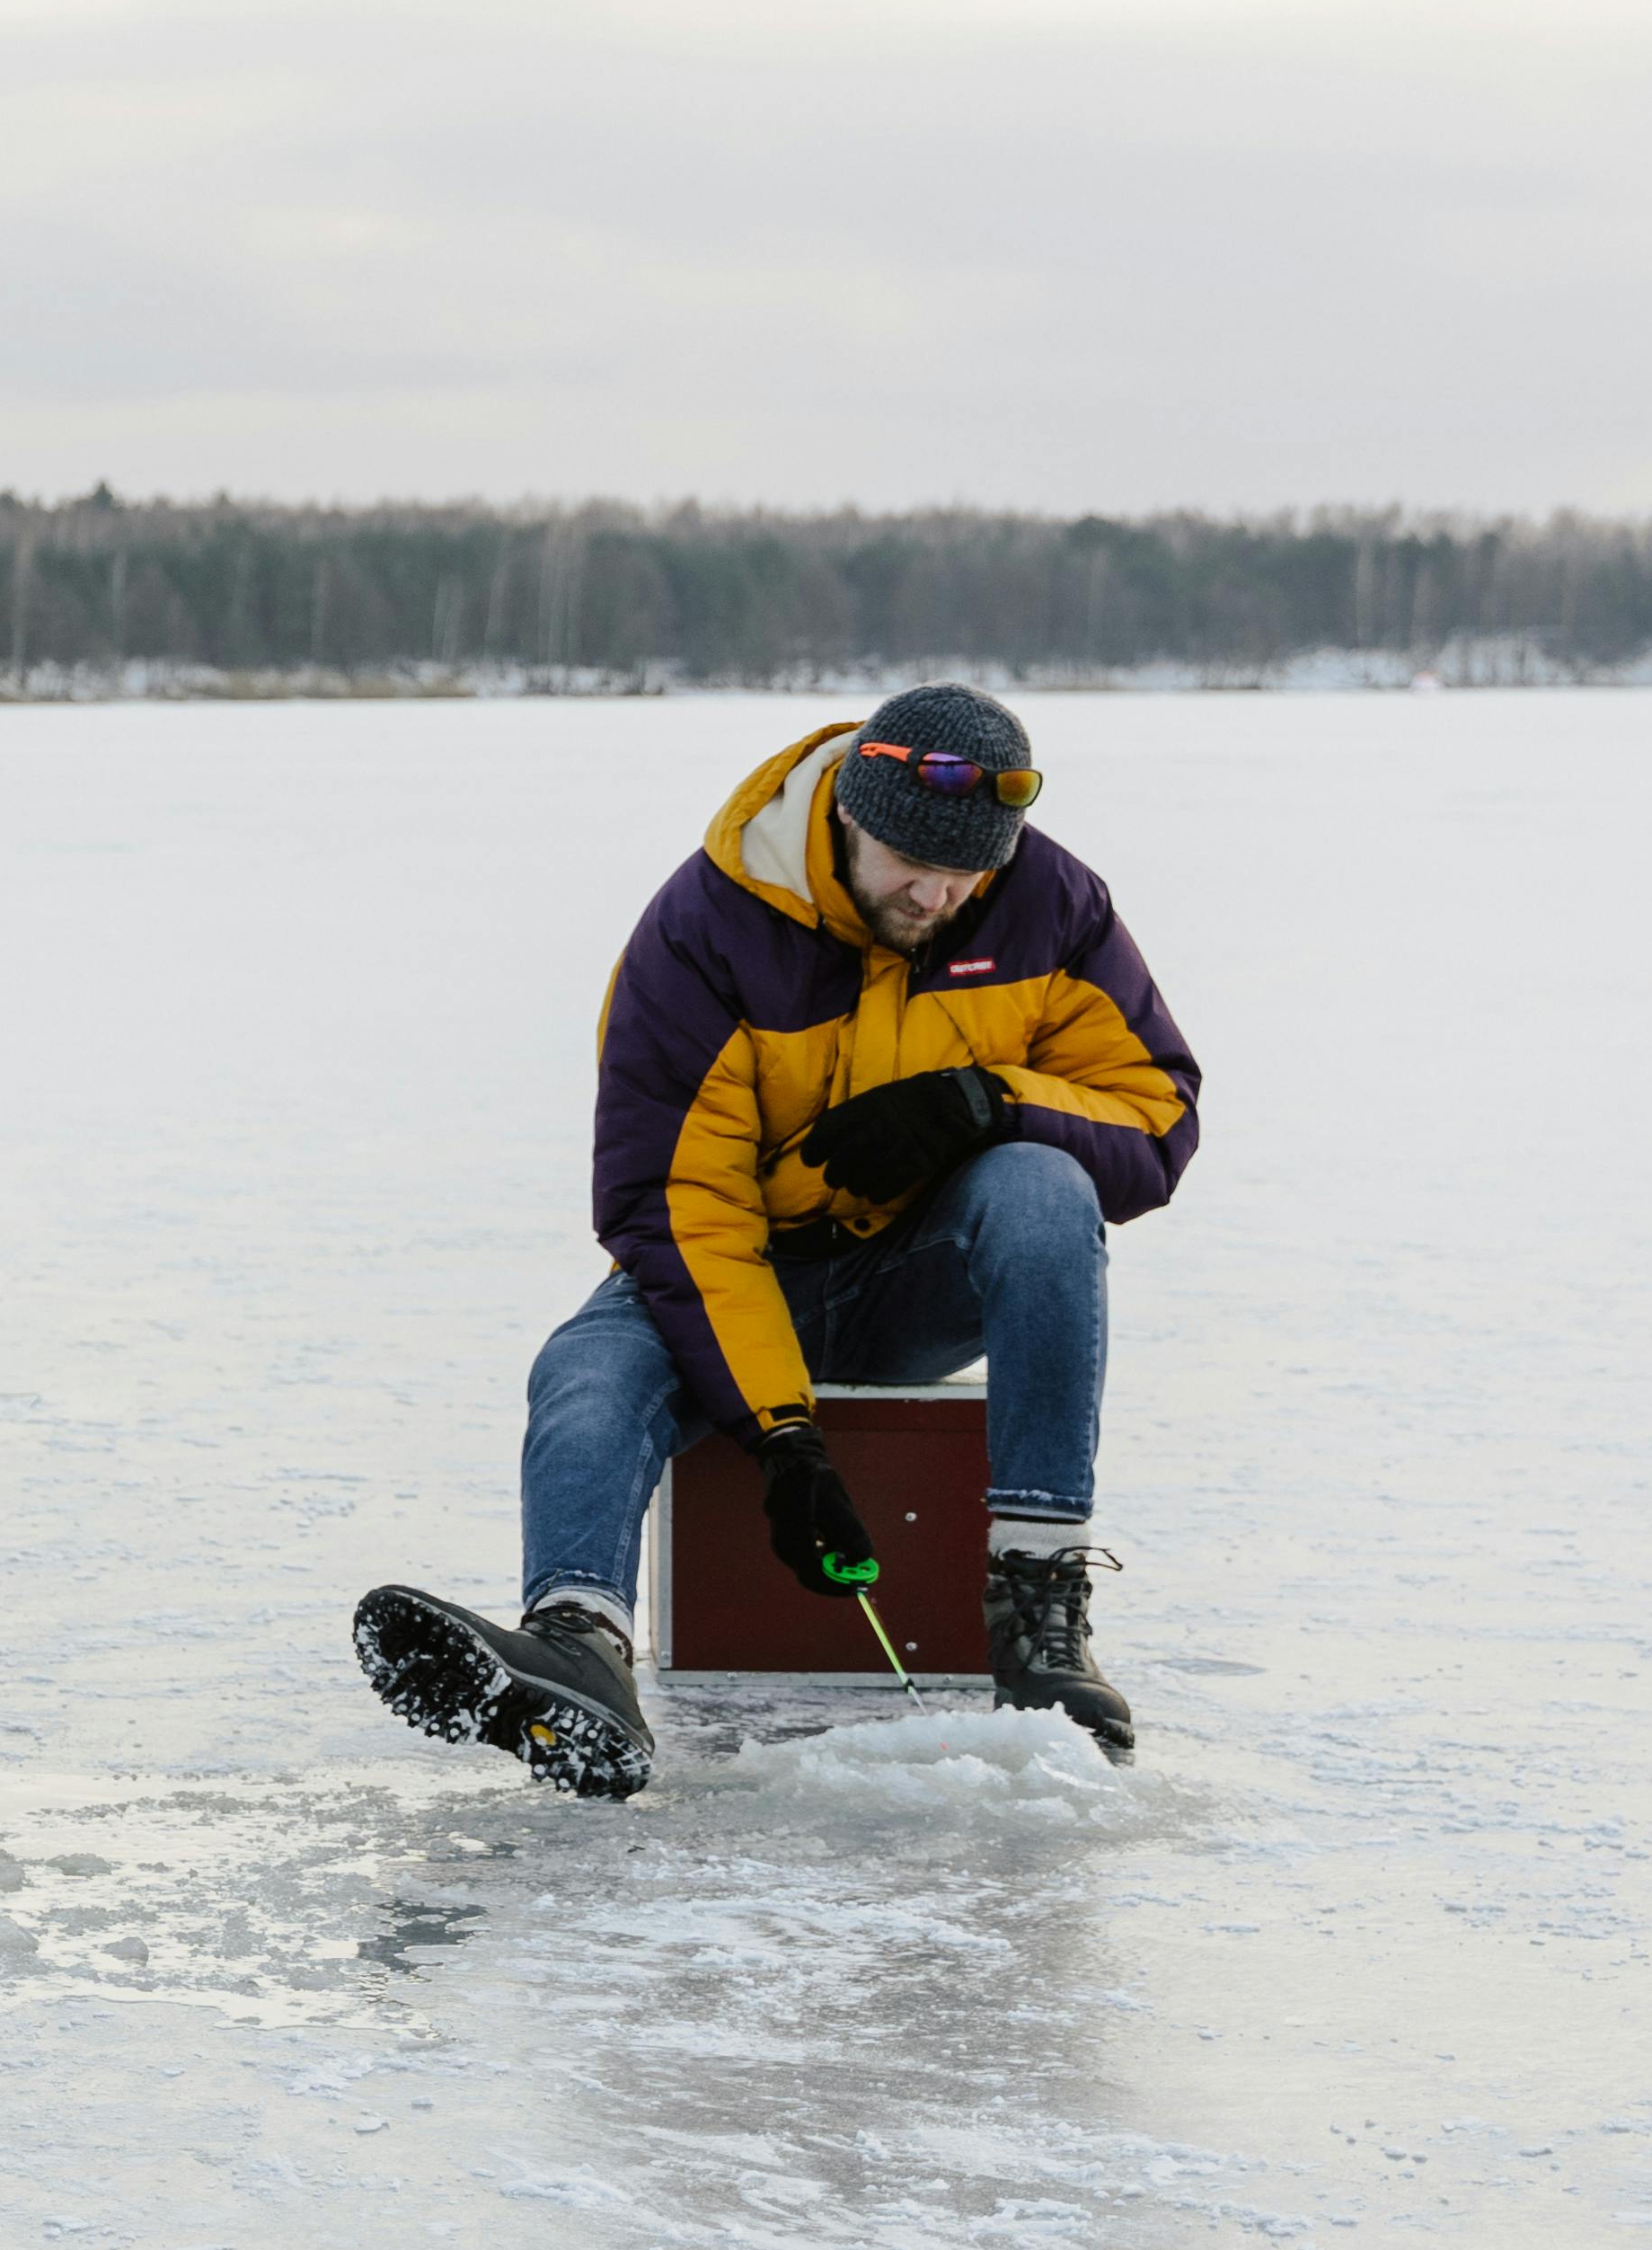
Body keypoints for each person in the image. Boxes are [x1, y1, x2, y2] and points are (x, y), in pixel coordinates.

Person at [353, 687, 1202, 1796]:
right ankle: (579, 1648)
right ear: (847, 812)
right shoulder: (704, 931)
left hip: (920, 1273)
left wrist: (987, 1100)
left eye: (967, 872)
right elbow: (676, 1205)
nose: (938, 893)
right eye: (910, 859)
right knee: (586, 1367)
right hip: (743, 1273)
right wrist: (783, 1435)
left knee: (1044, 1184)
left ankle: (1038, 1614)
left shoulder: (1049, 901)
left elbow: (1156, 1114)